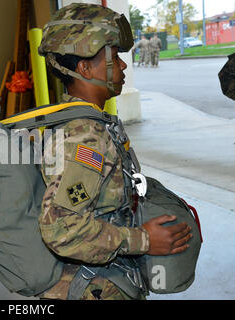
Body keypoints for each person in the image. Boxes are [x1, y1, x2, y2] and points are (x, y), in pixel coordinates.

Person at [37, 3, 192, 300]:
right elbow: (62, 230)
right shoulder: (84, 137)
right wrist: (143, 240)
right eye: (113, 57)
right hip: (94, 288)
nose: (122, 66)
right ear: (84, 68)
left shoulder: (89, 121)